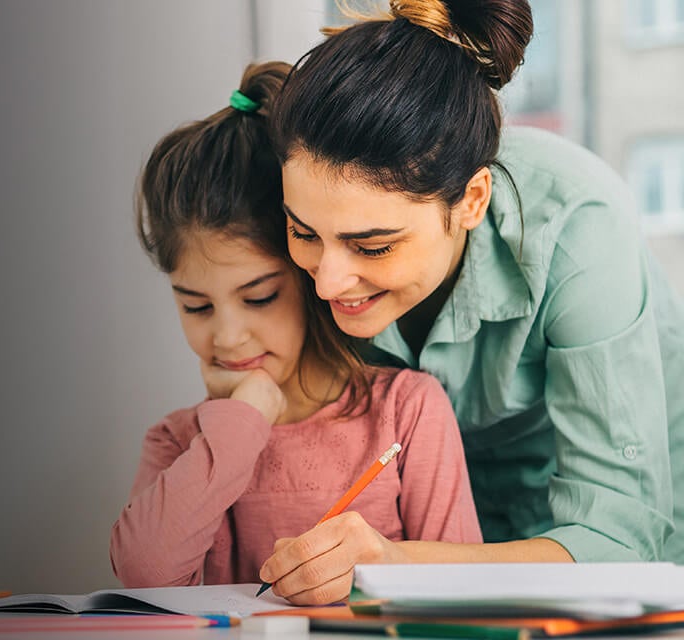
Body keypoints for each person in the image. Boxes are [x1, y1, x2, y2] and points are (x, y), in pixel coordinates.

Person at [258, 0, 684, 605]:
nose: (325, 284)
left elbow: (619, 543)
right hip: (434, 565)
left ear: (473, 201)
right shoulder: (309, 239)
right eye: (303, 234)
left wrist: (395, 563)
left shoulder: (579, 228)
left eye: (373, 247)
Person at [109, 61, 482, 590]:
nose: (228, 337)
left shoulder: (407, 412)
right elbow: (144, 577)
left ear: (310, 273)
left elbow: (466, 600)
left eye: (259, 298)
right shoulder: (180, 442)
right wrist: (243, 419)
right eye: (196, 307)